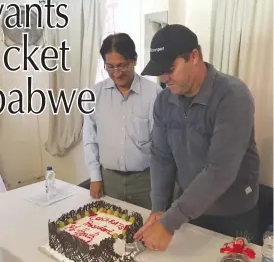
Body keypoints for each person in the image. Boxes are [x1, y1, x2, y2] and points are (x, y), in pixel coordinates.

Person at [134, 24, 260, 249]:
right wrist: (159, 208)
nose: (164, 79)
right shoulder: (164, 101)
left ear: (194, 56)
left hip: (233, 214)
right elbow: (161, 157)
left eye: (170, 69)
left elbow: (219, 170)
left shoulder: (232, 96)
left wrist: (169, 222)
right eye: (160, 72)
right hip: (189, 212)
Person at [83, 33, 162, 210]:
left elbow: (162, 145)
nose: (116, 73)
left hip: (145, 181)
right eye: (110, 67)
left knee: (147, 232)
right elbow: (90, 139)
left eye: (122, 66)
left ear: (134, 60)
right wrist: (95, 177)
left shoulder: (153, 94)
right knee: (110, 231)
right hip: (109, 180)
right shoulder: (94, 95)